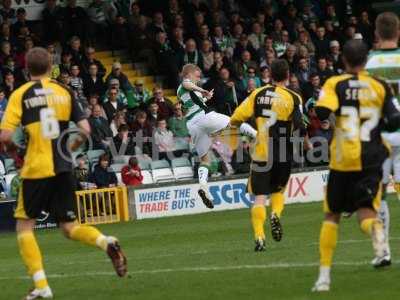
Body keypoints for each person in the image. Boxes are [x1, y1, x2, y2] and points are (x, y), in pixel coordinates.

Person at [0, 48, 127, 299]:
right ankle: (106, 241)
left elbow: (4, 136)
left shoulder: (20, 94)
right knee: (69, 227)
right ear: (50, 67)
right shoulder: (64, 91)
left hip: (36, 169)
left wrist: (15, 148)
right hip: (62, 167)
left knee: (25, 227)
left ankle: (41, 285)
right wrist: (69, 149)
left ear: (27, 70)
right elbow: (85, 129)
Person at [311, 40, 400, 292]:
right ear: (366, 60)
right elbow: (394, 120)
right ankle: (377, 232)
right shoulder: (380, 85)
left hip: (343, 158)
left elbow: (320, 111)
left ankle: (324, 278)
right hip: (372, 157)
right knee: (366, 213)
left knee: (332, 216)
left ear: (344, 60)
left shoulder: (334, 84)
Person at [230, 59, 306, 251]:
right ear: (288, 75)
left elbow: (236, 118)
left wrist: (248, 134)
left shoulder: (257, 94)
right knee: (278, 191)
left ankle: (260, 237)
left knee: (260, 197)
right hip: (282, 153)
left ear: (270, 74)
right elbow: (300, 125)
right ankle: (276, 215)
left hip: (261, 153)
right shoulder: (294, 97)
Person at [177, 64, 255, 209]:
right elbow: (186, 83)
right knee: (236, 122)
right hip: (204, 117)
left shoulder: (185, 92)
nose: (199, 77)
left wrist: (206, 98)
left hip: (193, 124)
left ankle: (203, 186)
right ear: (189, 73)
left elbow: (194, 104)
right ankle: (259, 137)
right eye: (197, 74)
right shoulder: (185, 83)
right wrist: (202, 90)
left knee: (205, 160)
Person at [365, 11, 400, 268]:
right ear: (397, 32)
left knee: (378, 196)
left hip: (381, 136)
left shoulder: (368, 66)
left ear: (376, 34)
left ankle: (382, 251)